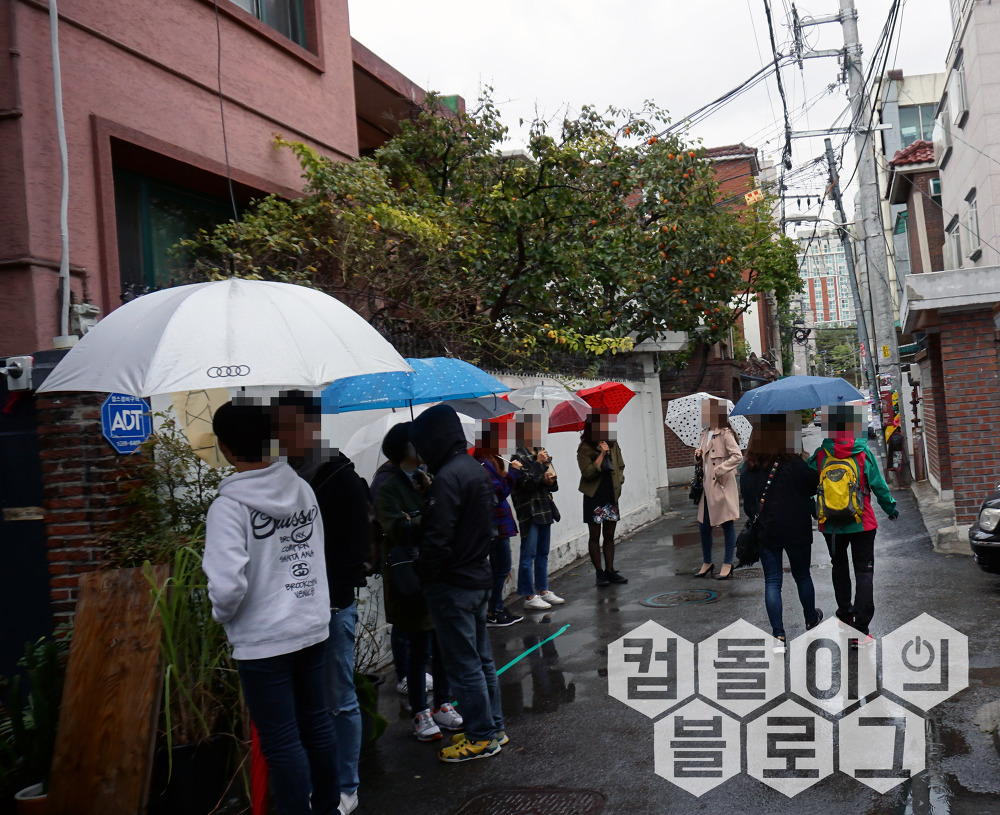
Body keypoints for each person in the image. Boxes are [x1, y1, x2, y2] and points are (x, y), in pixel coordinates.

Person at [202, 401, 339, 815]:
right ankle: (328, 808)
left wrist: (222, 616)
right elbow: (315, 553)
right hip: (310, 626)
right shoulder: (301, 489)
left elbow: (227, 586)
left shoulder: (228, 507)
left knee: (281, 740)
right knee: (317, 723)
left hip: (263, 641)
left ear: (225, 448)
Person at [274, 392, 367, 815]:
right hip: (288, 609)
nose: (283, 436)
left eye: (290, 426)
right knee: (302, 704)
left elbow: (355, 545)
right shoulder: (278, 477)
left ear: (313, 427)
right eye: (278, 427)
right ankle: (315, 784)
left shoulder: (338, 474)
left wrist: (334, 594)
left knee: (338, 700)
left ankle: (347, 786)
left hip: (331, 606)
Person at [409, 404, 506, 762]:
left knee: (464, 666)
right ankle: (493, 727)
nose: (421, 453)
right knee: (482, 661)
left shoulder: (448, 478)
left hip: (453, 584)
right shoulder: (473, 469)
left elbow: (438, 538)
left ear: (434, 439)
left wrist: (424, 573)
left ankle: (481, 737)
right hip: (478, 577)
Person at [374, 421, 462, 742]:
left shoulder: (429, 479)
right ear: (404, 449)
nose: (423, 447)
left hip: (438, 573)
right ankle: (419, 711)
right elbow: (398, 529)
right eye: (416, 443)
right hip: (410, 578)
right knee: (418, 648)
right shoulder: (387, 487)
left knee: (442, 644)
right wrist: (431, 513)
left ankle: (442, 703)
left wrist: (428, 503)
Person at [808, 403, 898, 647]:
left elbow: (805, 487)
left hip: (831, 526)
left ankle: (845, 616)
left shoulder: (820, 455)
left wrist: (815, 511)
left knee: (839, 568)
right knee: (864, 573)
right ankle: (861, 630)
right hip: (862, 522)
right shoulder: (863, 452)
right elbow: (878, 486)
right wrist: (890, 509)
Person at [740, 413, 822, 650]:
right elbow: (813, 485)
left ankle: (778, 635)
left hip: (766, 530)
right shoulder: (793, 462)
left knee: (772, 581)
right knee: (802, 575)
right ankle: (810, 618)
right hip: (796, 527)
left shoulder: (749, 467)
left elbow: (747, 502)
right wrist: (804, 458)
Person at [473, 420, 525, 627]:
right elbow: (499, 493)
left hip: (500, 524)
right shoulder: (483, 463)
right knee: (500, 568)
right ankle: (494, 611)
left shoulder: (492, 460)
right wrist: (513, 473)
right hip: (495, 525)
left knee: (500, 568)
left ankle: (497, 608)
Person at [511, 413, 563, 609]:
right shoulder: (518, 458)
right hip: (529, 511)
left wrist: (550, 479)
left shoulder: (541, 453)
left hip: (544, 508)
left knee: (543, 552)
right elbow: (527, 484)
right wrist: (539, 464)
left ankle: (543, 590)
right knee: (529, 554)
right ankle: (529, 596)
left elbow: (553, 485)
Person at [694, 398, 744, 580]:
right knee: (704, 525)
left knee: (727, 523)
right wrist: (697, 457)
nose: (704, 415)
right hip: (706, 487)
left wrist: (720, 469)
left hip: (721, 485)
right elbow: (703, 461)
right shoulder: (704, 433)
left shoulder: (725, 433)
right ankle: (707, 562)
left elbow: (737, 456)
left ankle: (727, 563)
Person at [577, 414, 627, 587]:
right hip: (594, 497)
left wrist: (619, 481)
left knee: (609, 535)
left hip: (610, 495)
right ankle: (599, 573)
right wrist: (602, 454)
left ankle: (610, 570)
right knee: (595, 535)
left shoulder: (612, 443)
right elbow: (587, 473)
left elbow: (620, 465)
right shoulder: (585, 448)